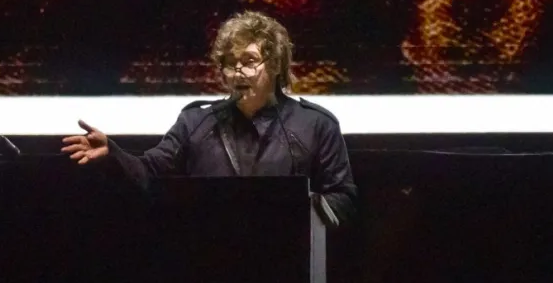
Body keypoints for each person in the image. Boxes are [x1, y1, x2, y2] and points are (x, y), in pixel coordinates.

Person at [61, 11, 358, 226]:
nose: (238, 72)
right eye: (230, 64)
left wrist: (297, 214)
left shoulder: (316, 125)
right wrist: (114, 154)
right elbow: (150, 173)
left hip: (290, 264)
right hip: (208, 262)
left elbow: (342, 197)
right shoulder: (196, 122)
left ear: (277, 64)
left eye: (249, 61)